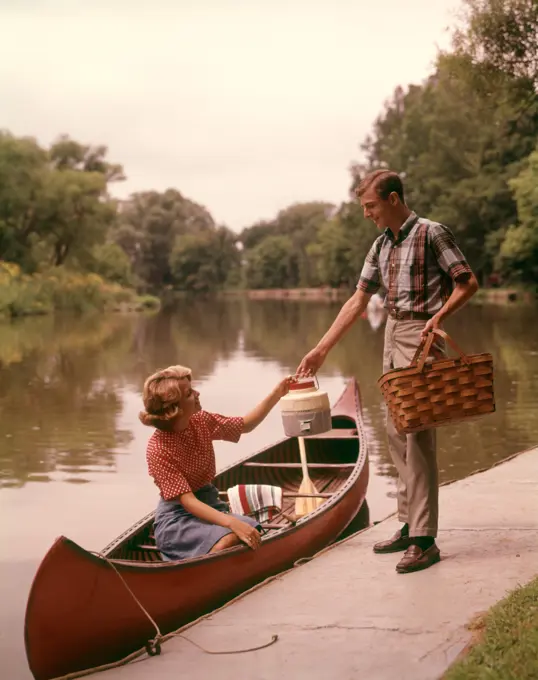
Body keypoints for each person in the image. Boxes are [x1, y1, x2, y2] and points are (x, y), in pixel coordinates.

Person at [297, 169, 478, 573]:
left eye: (371, 206)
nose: (367, 214)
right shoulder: (380, 245)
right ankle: (408, 522)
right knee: (396, 432)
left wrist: (441, 315)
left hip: (422, 333)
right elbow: (358, 302)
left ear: (393, 199)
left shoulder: (433, 233)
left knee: (418, 434)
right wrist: (321, 349)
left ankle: (425, 539)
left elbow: (467, 283)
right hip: (392, 332)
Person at [139, 365, 293, 561]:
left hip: (211, 506)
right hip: (178, 519)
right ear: (174, 409)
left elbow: (245, 425)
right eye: (189, 393)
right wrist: (231, 522)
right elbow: (188, 502)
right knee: (230, 538)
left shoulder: (200, 420)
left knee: (252, 530)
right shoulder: (158, 448)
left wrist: (277, 393)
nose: (197, 393)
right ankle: (192, 570)